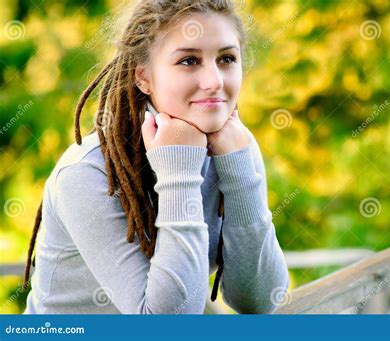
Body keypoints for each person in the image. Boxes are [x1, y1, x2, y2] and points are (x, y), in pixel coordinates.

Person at [23, 0, 289, 314]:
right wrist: (179, 170)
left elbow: (259, 301)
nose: (215, 81)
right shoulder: (87, 173)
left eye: (226, 58)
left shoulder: (234, 148)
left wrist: (241, 169)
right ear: (143, 78)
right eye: (189, 60)